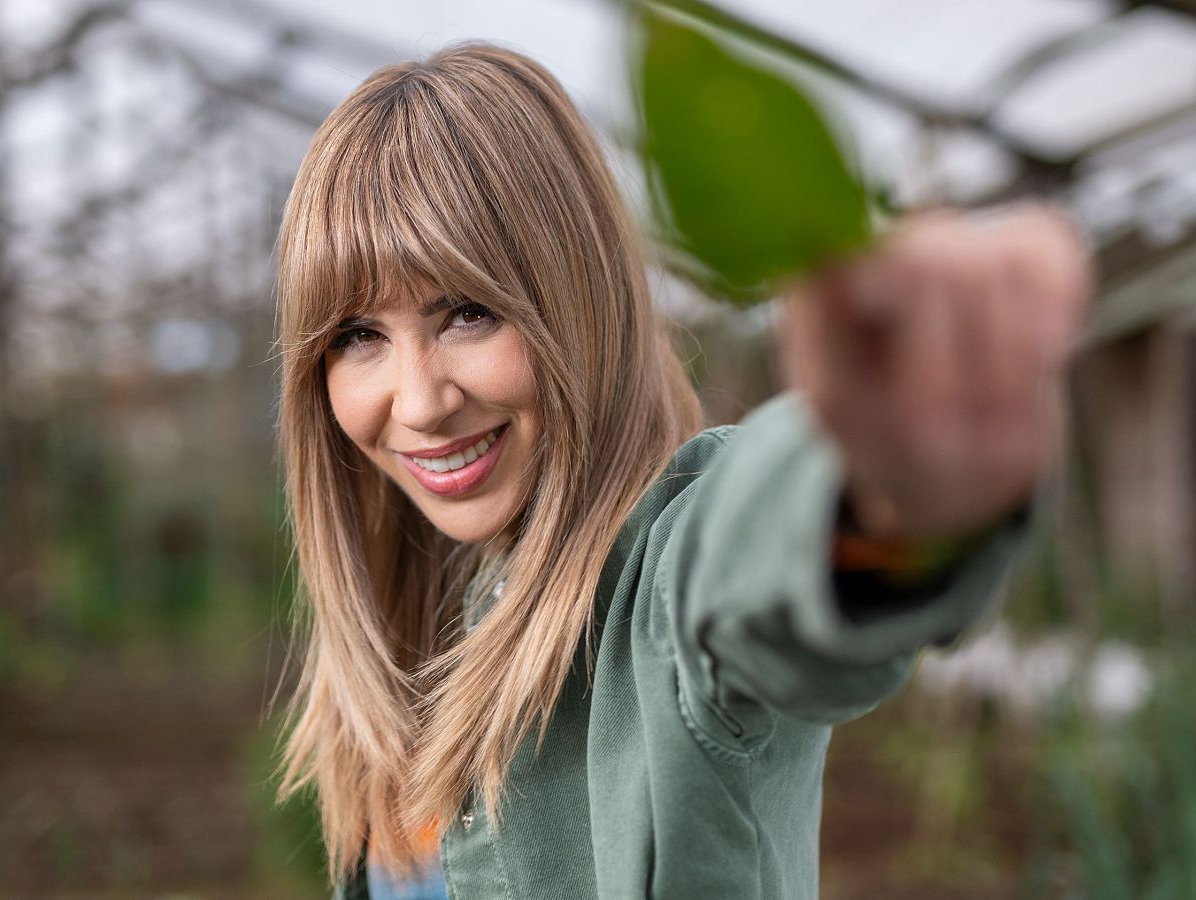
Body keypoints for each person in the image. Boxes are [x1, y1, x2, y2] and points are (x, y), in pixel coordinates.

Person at [273, 42, 1089, 900]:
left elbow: (755, 557)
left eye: (469, 313)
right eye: (358, 336)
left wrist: (881, 486)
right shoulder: (428, 611)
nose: (419, 402)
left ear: (580, 297)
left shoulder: (663, 590)